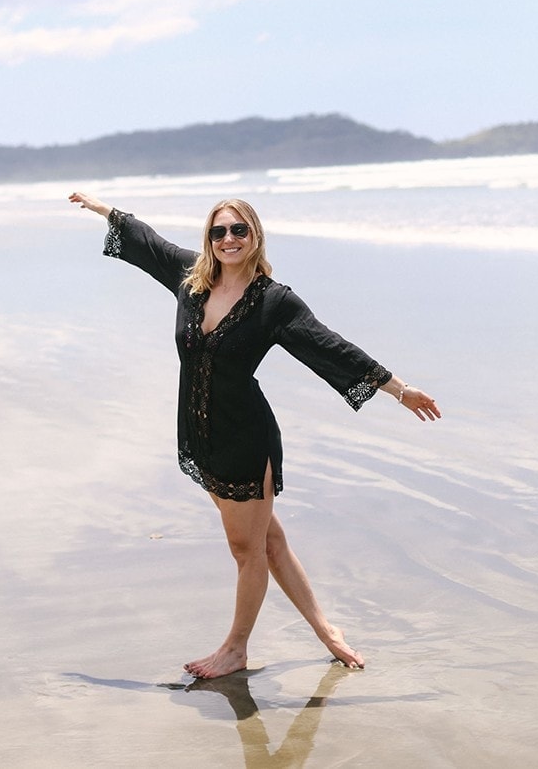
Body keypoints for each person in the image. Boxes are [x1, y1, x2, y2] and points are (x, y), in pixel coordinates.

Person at [68, 192, 441, 680]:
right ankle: (328, 632)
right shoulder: (191, 280)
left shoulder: (273, 301)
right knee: (268, 541)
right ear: (209, 238)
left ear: (255, 236)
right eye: (219, 231)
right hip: (202, 434)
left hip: (246, 437)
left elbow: (331, 347)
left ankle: (235, 649)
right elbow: (151, 245)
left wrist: (399, 389)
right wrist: (108, 212)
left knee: (247, 550)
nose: (228, 239)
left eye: (238, 230)